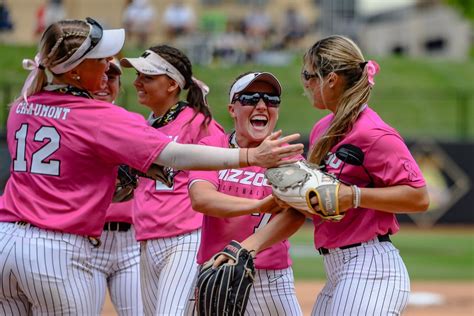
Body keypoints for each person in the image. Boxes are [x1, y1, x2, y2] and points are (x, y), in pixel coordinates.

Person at [0, 17, 303, 314]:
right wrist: (250, 156)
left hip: (7, 241)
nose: (110, 68)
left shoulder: (22, 104)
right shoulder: (102, 117)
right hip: (58, 249)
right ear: (76, 70)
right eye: (102, 60)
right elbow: (173, 157)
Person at [241, 35, 430, 316]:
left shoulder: (373, 133)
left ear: (330, 79)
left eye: (309, 74)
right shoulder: (324, 128)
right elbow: (320, 198)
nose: (305, 82)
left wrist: (353, 196)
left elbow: (420, 197)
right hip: (339, 270)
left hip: (370, 268)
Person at [187, 72, 306, 315]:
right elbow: (201, 199)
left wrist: (249, 247)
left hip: (271, 277)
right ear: (232, 109)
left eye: (271, 100)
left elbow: (295, 215)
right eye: (251, 98)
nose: (262, 105)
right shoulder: (212, 148)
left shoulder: (289, 156)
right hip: (217, 270)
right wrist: (259, 205)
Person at [120, 44, 225, 315]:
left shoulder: (199, 124)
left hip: (185, 238)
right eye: (138, 76)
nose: (137, 82)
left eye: (148, 76)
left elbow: (222, 174)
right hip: (145, 239)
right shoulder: (144, 126)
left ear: (171, 84)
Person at [89, 58, 143, 315]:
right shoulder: (71, 123)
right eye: (98, 75)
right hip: (86, 242)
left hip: (131, 243)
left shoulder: (134, 124)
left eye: (111, 77)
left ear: (120, 85)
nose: (104, 83)